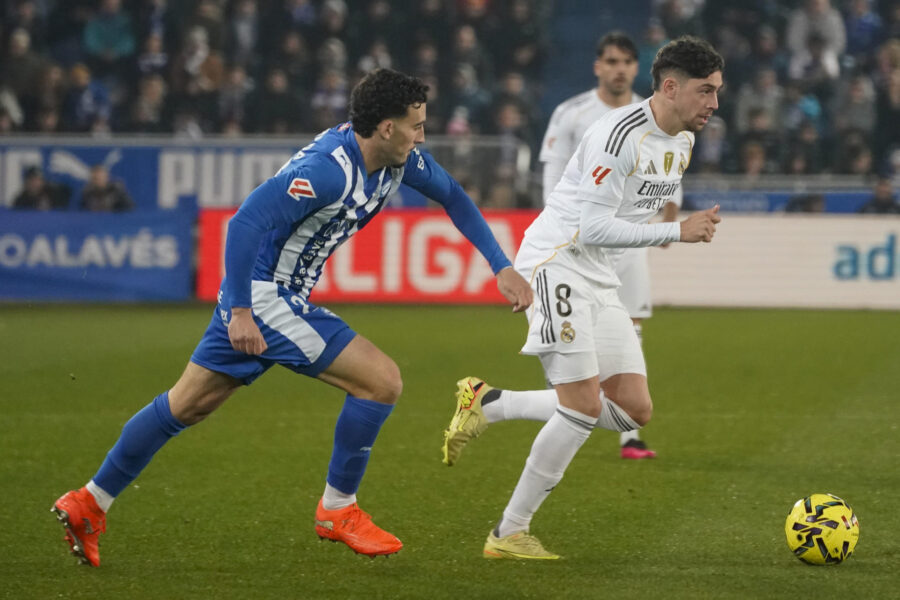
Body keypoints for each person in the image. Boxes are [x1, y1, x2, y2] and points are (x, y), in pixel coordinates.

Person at [52, 68, 533, 567]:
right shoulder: (329, 170)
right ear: (386, 128)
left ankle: (89, 502)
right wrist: (241, 310)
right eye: (416, 126)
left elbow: (453, 196)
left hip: (269, 297)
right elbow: (245, 222)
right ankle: (337, 509)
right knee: (382, 381)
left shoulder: (396, 162)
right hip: (264, 298)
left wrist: (501, 266)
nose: (422, 137)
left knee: (186, 405)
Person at [442, 36, 724, 559]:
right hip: (556, 263)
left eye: (717, 92)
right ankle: (508, 534)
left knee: (632, 409)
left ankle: (489, 403)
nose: (714, 103)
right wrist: (674, 233)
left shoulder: (682, 141)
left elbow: (637, 216)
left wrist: (675, 226)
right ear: (669, 87)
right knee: (579, 408)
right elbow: (593, 226)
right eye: (706, 91)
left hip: (599, 273)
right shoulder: (618, 136)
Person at [537, 31, 674, 460]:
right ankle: (568, 404)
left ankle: (628, 436)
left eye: (627, 62)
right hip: (579, 243)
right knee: (576, 328)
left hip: (628, 243)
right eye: (611, 61)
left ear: (637, 69)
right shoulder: (572, 112)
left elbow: (664, 171)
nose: (619, 69)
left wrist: (670, 213)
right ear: (598, 65)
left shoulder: (652, 114)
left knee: (631, 325)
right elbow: (554, 175)